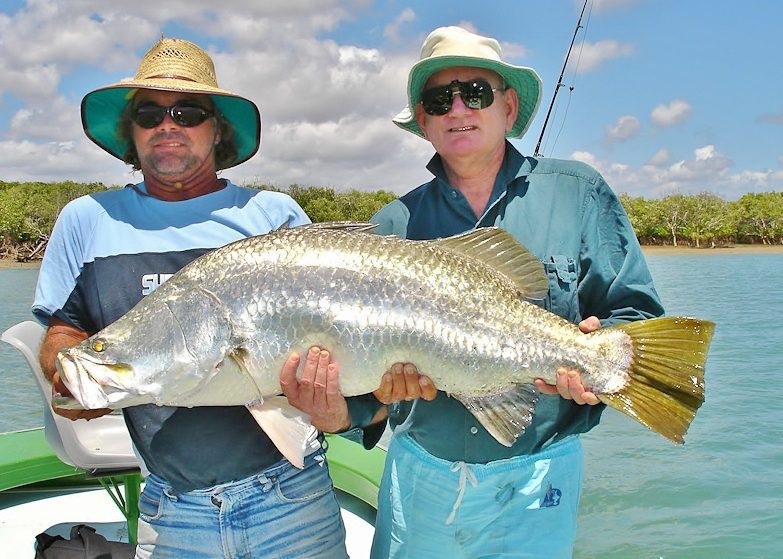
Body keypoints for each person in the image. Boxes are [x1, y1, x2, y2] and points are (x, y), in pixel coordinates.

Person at [33, 37, 356, 559]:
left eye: (188, 111)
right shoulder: (87, 220)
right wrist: (66, 376)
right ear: (130, 131)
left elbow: (340, 333)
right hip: (171, 508)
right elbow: (64, 331)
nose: (168, 124)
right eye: (149, 113)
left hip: (292, 495)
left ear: (217, 128)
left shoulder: (273, 216)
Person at [366, 26, 665, 558]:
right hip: (423, 477)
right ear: (425, 122)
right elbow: (364, 378)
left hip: (540, 477)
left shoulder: (579, 192)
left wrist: (602, 354)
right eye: (439, 99)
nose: (458, 108)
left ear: (507, 107)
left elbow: (633, 312)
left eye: (475, 93)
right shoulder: (392, 225)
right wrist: (379, 390)